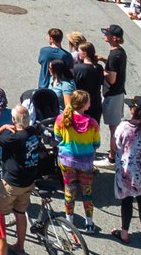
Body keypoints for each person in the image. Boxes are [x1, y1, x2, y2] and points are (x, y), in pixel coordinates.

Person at [0, 105, 42, 254]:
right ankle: (20, 246)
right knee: (20, 213)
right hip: (28, 181)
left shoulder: (13, 138)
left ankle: (1, 248)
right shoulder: (33, 132)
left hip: (12, 182)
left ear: (13, 120)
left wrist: (4, 126)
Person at [55, 89, 100, 231]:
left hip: (67, 162)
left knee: (69, 191)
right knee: (87, 192)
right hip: (86, 163)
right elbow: (96, 144)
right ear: (84, 105)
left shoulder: (61, 119)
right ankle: (89, 223)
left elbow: (57, 138)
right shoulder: (92, 123)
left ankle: (69, 222)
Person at [113, 96, 141, 244]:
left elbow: (117, 146)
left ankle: (124, 233)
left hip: (127, 170)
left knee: (127, 201)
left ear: (133, 110)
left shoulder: (124, 127)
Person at [102, 24, 129, 164]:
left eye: (106, 33)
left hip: (112, 94)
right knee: (115, 125)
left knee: (113, 128)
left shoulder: (114, 55)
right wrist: (103, 60)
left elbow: (111, 78)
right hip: (119, 93)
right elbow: (115, 68)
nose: (104, 35)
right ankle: (114, 151)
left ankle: (111, 158)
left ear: (114, 37)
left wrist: (99, 70)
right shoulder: (120, 51)